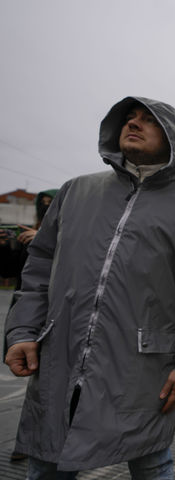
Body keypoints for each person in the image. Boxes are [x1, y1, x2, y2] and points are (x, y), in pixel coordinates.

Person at [3, 96, 175, 478]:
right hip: (62, 350)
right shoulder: (76, 192)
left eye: (147, 120)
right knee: (48, 454)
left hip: (145, 365)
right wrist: (22, 331)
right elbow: (40, 266)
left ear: (173, 136)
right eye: (129, 118)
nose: (133, 124)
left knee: (150, 460)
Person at [0, 188, 57, 462]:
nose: (45, 207)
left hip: (56, 318)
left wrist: (48, 241)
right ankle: (30, 442)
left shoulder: (69, 233)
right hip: (26, 314)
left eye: (50, 203)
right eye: (42, 203)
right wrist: (9, 247)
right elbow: (14, 272)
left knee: (53, 385)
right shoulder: (29, 232)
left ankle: (57, 449)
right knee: (35, 385)